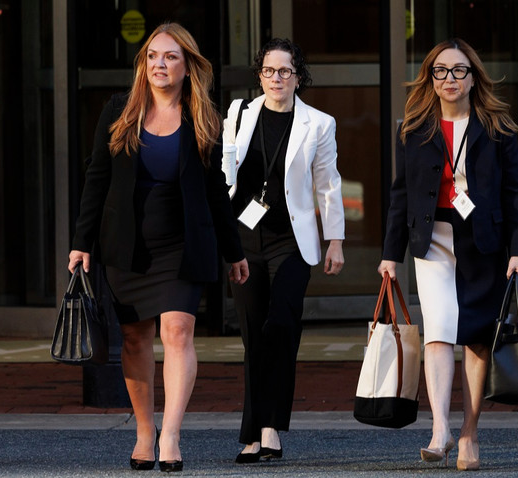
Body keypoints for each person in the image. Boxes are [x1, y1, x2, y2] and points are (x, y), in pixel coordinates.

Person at [68, 22, 249, 473]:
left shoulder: (203, 117)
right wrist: (80, 243)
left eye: (169, 57)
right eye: (152, 56)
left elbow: (215, 190)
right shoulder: (118, 110)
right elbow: (96, 179)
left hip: (182, 244)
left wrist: (234, 250)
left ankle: (170, 434)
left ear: (187, 65)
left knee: (178, 333)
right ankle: (144, 431)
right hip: (127, 246)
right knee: (134, 338)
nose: (159, 65)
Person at [378, 38, 518, 471]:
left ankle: (470, 433)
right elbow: (400, 195)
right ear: (430, 77)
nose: (449, 78)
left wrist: (517, 251)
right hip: (433, 240)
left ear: (473, 76)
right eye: (440, 70)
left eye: (459, 70)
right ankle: (440, 429)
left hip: (484, 242)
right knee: (439, 330)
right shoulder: (413, 128)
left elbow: (516, 194)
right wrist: (391, 253)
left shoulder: (498, 127)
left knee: (478, 336)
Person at [221, 38, 345, 464]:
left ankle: (270, 424)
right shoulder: (238, 114)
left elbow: (328, 184)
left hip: (292, 241)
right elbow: (225, 178)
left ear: (298, 76)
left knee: (282, 326)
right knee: (253, 334)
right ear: (260, 76)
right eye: (270, 71)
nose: (277, 78)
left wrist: (336, 240)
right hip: (244, 239)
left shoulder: (319, 124)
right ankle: (257, 433)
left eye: (285, 71)